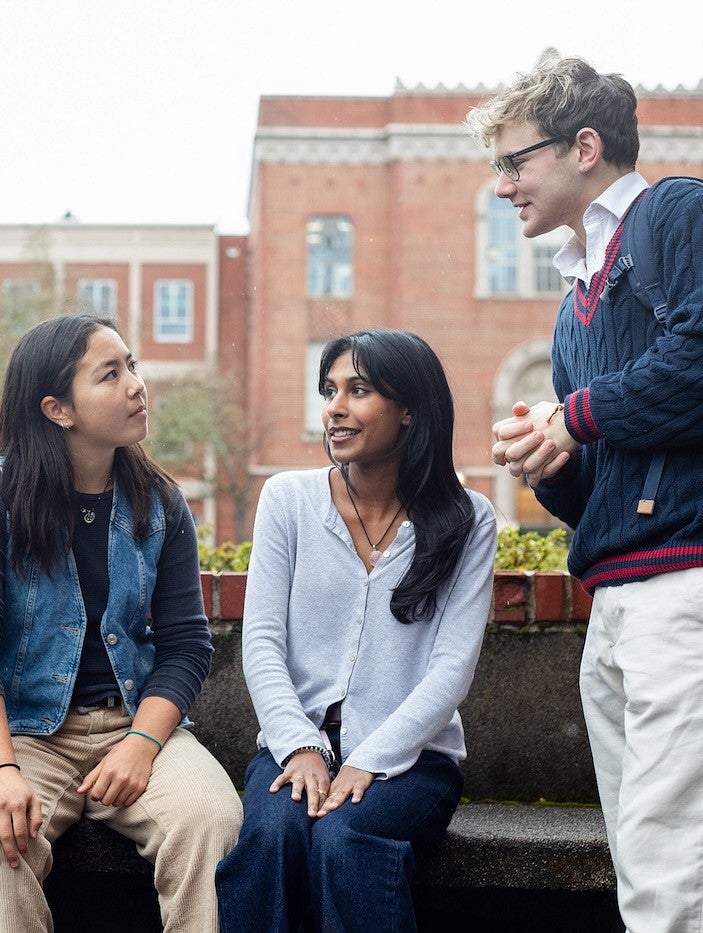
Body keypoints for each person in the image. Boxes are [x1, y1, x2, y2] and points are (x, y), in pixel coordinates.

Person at [467, 54, 703, 932]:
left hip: (702, 588)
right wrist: (557, 461)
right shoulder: (576, 292)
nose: (502, 186)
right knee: (659, 886)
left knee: (676, 899)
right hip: (625, 599)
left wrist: (573, 415)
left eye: (514, 161)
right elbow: (614, 474)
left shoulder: (679, 212)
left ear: (584, 147)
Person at [0, 313, 242, 931]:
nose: (136, 385)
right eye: (111, 374)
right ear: (58, 409)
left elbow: (185, 646)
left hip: (133, 724)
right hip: (21, 732)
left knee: (211, 822)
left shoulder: (159, 503)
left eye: (131, 366)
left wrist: (141, 744)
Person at [215, 328, 496, 932]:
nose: (335, 408)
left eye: (359, 390)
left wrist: (368, 761)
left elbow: (451, 669)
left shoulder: (468, 519)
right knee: (270, 837)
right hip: (297, 744)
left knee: (346, 839)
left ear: (411, 410)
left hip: (411, 761)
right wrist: (301, 746)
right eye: (329, 390)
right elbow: (261, 642)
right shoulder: (287, 500)